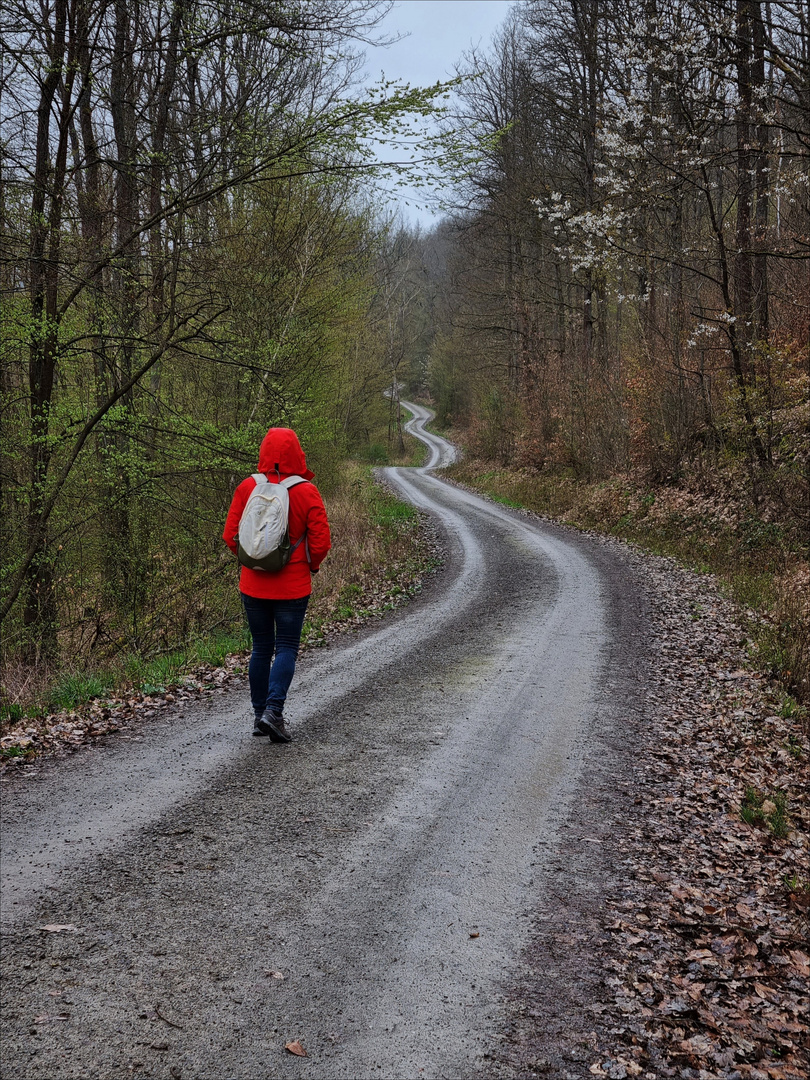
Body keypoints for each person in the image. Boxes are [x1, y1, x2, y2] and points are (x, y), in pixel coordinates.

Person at [223, 427, 331, 742]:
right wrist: (311, 565)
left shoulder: (247, 487)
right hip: (292, 587)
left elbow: (231, 535)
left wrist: (253, 561)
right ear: (298, 453)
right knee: (285, 647)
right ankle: (273, 711)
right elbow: (321, 541)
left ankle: (259, 715)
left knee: (261, 647)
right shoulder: (307, 491)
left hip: (253, 585)